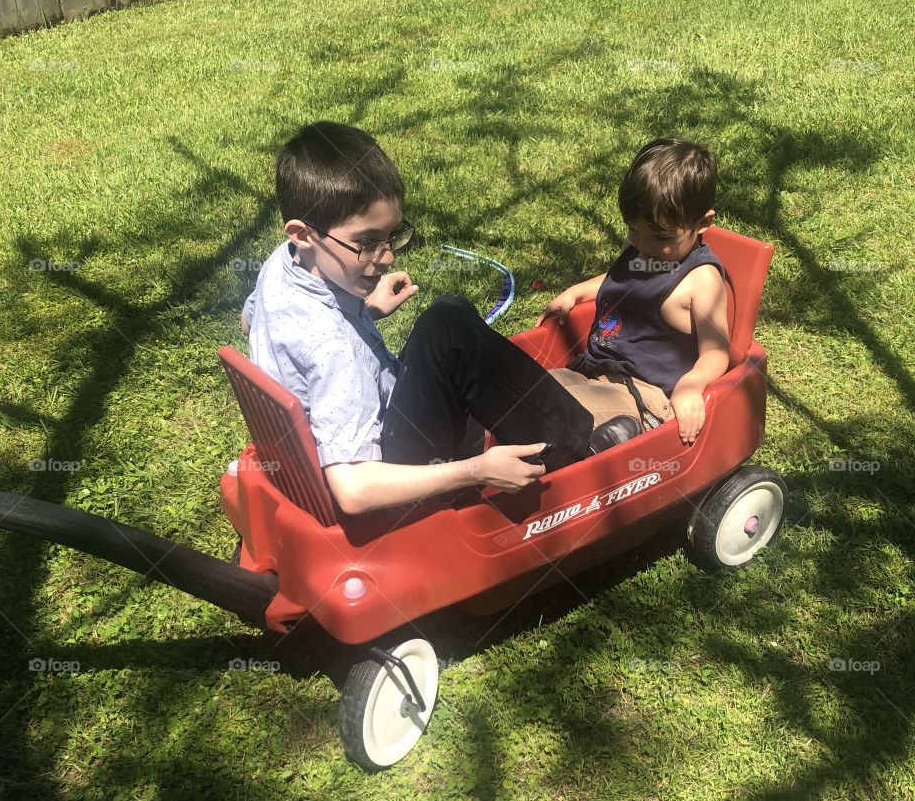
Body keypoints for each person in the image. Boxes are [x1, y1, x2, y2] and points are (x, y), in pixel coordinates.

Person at [238, 121, 621, 517]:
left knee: (449, 316)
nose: (386, 257)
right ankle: (575, 450)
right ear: (303, 234)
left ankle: (555, 433)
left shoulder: (281, 265)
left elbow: (251, 324)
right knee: (450, 333)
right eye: (367, 242)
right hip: (387, 494)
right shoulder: (330, 348)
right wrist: (475, 471)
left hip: (348, 440)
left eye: (391, 236)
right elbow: (353, 491)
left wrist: (365, 313)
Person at [535, 137, 731, 449]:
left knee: (554, 410)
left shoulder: (701, 281)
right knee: (531, 390)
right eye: (632, 230)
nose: (641, 244)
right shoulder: (642, 246)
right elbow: (621, 279)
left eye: (660, 236)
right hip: (595, 371)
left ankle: (615, 439)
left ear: (703, 222)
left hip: (644, 396)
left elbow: (717, 351)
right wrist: (577, 292)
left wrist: (692, 385)